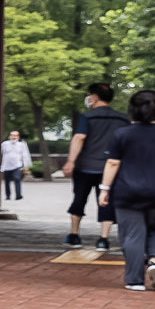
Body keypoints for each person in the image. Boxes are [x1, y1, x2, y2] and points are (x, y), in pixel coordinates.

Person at [101, 88, 155, 292]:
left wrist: (104, 189)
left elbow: (113, 163)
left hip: (127, 191)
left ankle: (135, 280)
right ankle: (154, 261)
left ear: (132, 109)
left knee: (132, 235)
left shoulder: (122, 134)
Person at [61, 83, 126, 251]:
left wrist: (71, 161)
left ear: (95, 97)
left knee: (79, 198)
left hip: (85, 166)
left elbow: (79, 137)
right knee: (106, 201)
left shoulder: (87, 117)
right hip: (110, 169)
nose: (87, 98)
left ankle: (75, 236)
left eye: (89, 95)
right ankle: (103, 239)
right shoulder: (122, 119)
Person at [1, 131, 30, 202]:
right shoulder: (4, 144)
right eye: (12, 135)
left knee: (17, 179)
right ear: (9, 136)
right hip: (6, 165)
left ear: (18, 137)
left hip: (17, 165)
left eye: (15, 135)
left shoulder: (22, 145)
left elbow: (25, 155)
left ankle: (18, 195)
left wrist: (26, 165)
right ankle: (8, 195)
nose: (14, 137)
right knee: (7, 181)